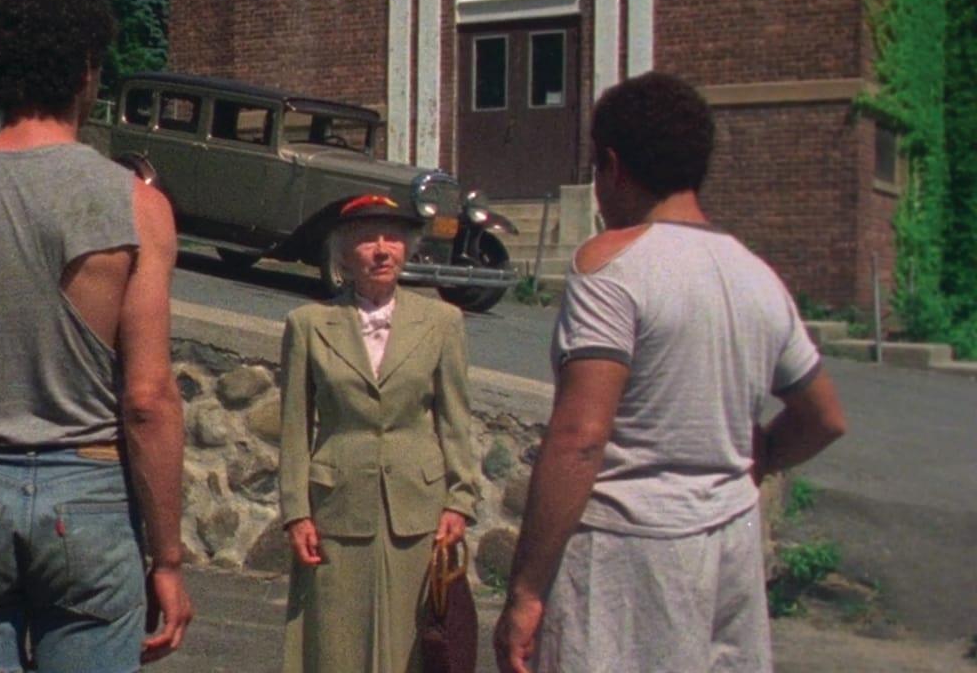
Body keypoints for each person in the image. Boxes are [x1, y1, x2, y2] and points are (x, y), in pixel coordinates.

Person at [493, 72, 848, 673]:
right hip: (729, 546)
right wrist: (757, 455)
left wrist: (526, 591)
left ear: (613, 166)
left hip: (628, 554)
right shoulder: (755, 274)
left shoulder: (612, 265)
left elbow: (581, 437)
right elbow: (825, 418)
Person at [0, 0, 191, 672]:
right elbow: (147, 399)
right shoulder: (135, 206)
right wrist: (169, 557)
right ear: (88, 71)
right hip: (87, 493)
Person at [278, 195, 481, 673]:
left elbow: (455, 418)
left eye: (392, 238)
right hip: (336, 507)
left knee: (414, 643)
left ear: (408, 250)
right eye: (368, 239)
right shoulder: (307, 326)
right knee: (335, 639)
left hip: (418, 510)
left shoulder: (442, 322)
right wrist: (296, 513)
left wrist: (460, 499)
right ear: (344, 255)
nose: (382, 250)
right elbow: (293, 425)